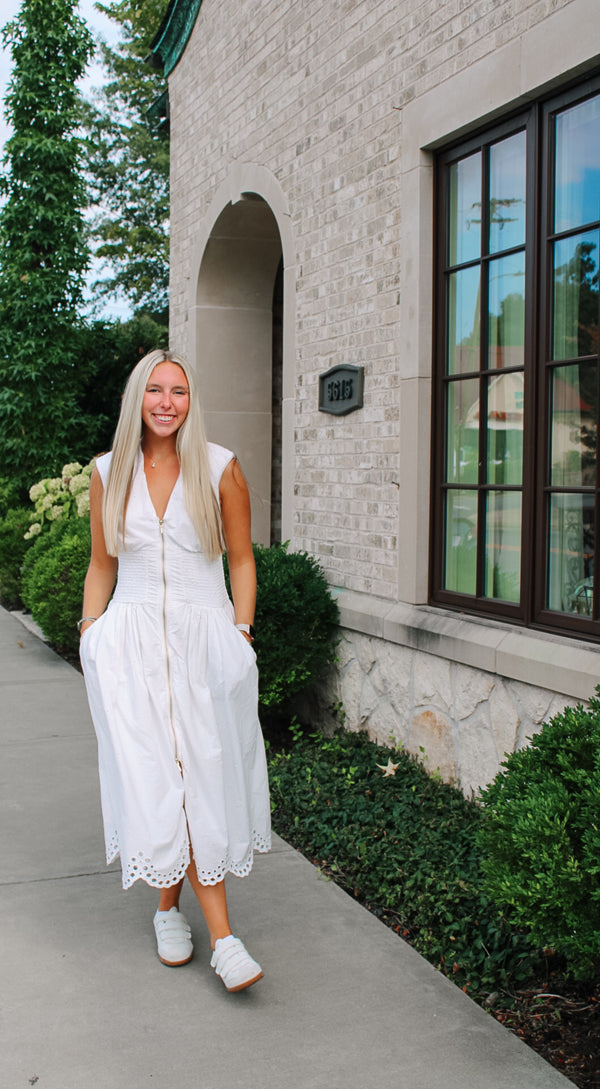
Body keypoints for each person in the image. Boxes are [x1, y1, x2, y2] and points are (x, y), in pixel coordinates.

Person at [79, 348, 271, 993]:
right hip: (130, 652)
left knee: (199, 781)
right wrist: (90, 633)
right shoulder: (108, 472)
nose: (167, 403)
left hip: (204, 647)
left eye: (179, 391)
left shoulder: (219, 467)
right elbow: (102, 564)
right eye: (156, 390)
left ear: (192, 400)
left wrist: (241, 635)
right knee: (160, 782)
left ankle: (176, 915)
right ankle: (221, 939)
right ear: (136, 398)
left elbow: (241, 559)